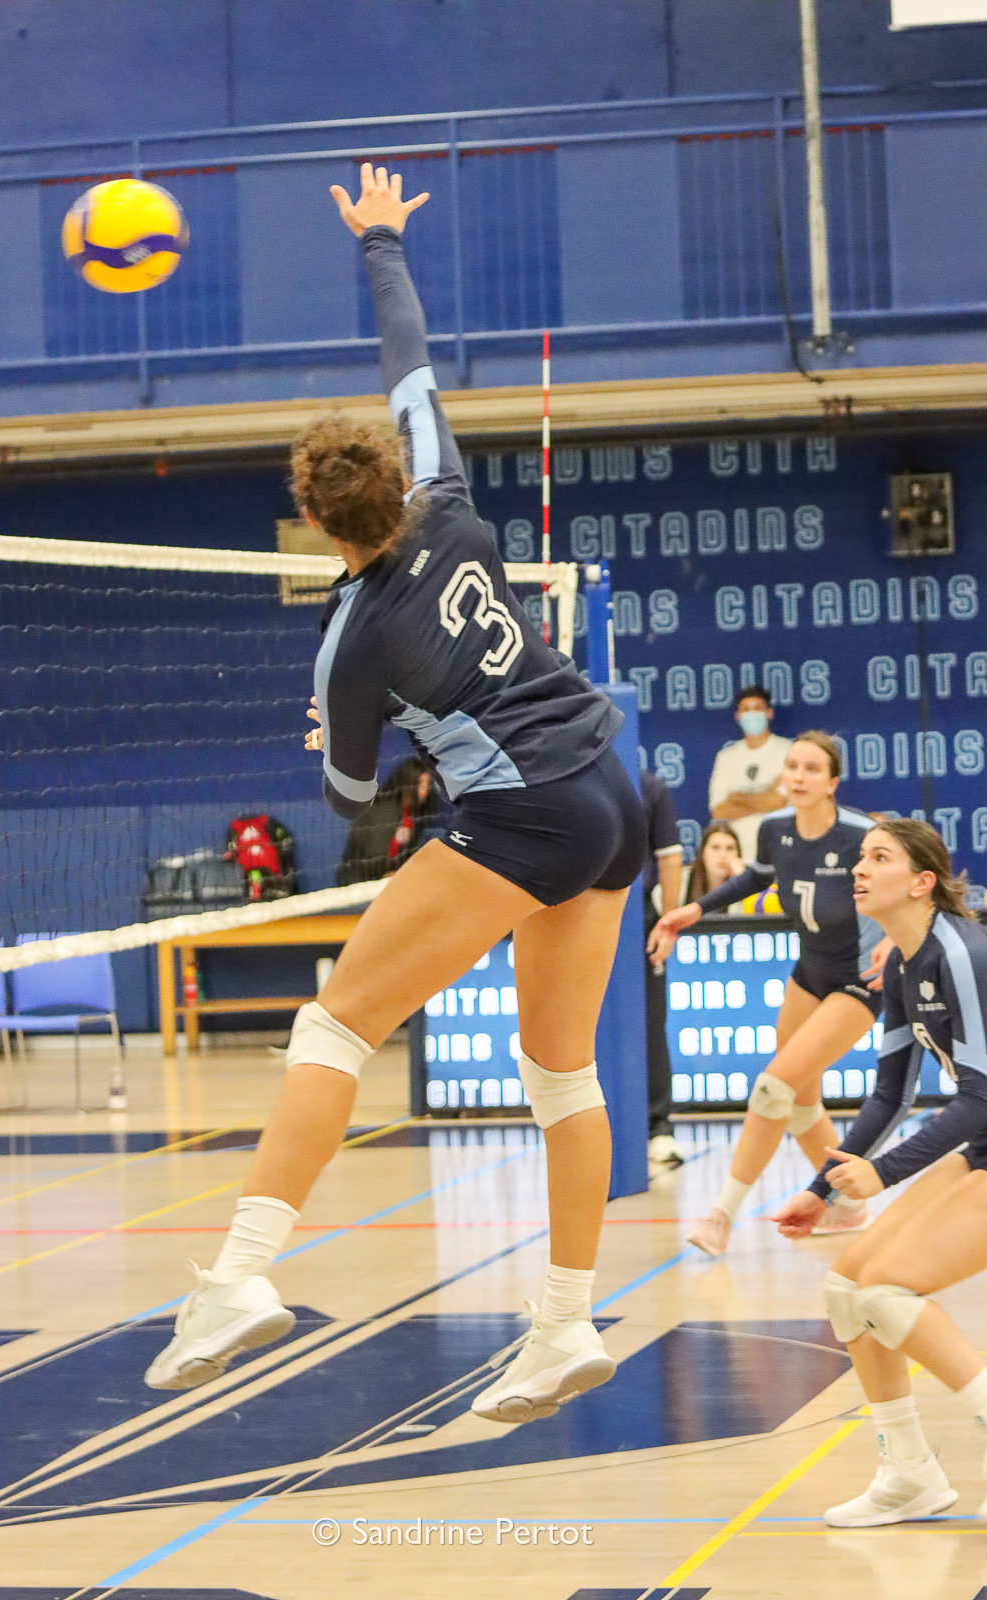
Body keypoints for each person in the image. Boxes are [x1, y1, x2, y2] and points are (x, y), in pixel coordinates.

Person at [144, 164, 646, 1427]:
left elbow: (352, 792)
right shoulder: (458, 506)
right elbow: (409, 355)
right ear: (393, 473)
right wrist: (378, 240)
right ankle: (564, 1323)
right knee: (560, 1078)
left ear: (313, 519)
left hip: (521, 814)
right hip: (611, 786)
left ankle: (246, 1277)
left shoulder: (349, 640)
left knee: (334, 1028)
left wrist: (341, 722)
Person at [771, 818, 987, 1526]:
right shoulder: (900, 962)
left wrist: (883, 1173)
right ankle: (909, 1476)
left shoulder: (961, 952)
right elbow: (891, 1093)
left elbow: (981, 1093)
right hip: (981, 1142)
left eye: (879, 858)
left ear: (922, 882)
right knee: (847, 1286)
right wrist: (821, 1187)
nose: (859, 870)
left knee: (888, 1289)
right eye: (860, 858)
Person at [648, 732, 890, 1256]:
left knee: (771, 1089)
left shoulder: (861, 835)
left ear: (832, 783)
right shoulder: (775, 829)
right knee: (801, 1100)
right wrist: (694, 910)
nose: (798, 777)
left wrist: (894, 938)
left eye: (811, 769)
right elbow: (755, 879)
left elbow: (920, 879)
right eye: (792, 767)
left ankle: (721, 1216)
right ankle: (847, 1205)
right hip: (810, 973)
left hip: (857, 981)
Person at [640, 768, 685, 1168]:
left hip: (637, 919)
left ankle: (659, 1128)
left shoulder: (649, 787)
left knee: (652, 1025)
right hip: (581, 918)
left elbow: (669, 857)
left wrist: (667, 923)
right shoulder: (569, 774)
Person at [708, 686, 791, 862]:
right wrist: (766, 793)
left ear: (769, 713)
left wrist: (736, 797)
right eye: (746, 709)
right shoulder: (726, 757)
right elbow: (719, 811)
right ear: (737, 715)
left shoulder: (787, 750)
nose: (751, 714)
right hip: (737, 856)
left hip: (779, 852)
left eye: (757, 708)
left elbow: (778, 802)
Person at [336, 756, 437, 886]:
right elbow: (374, 854)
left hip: (391, 881)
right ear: (408, 781)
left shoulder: (415, 815)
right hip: (359, 880)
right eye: (420, 784)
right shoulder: (382, 809)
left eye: (427, 785)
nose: (424, 791)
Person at [682, 820, 744, 909]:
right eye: (715, 848)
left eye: (730, 848)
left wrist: (742, 880)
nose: (723, 855)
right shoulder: (683, 881)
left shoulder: (745, 881)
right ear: (703, 854)